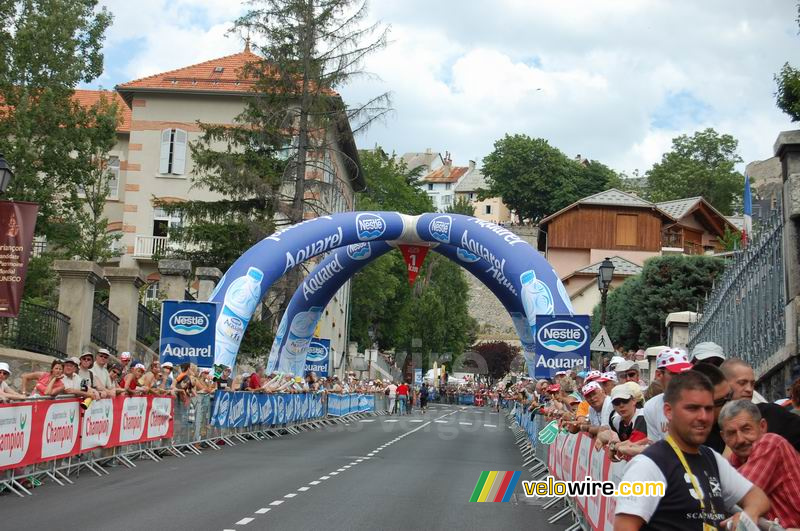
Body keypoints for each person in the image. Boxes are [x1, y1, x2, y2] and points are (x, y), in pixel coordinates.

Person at [614, 371, 770, 530]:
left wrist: (748, 515)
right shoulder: (646, 466)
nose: (703, 417)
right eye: (692, 408)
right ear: (668, 411)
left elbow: (757, 497)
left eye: (708, 409)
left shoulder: (711, 458)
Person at [719, 400, 800, 529]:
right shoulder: (734, 461)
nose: (740, 439)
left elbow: (729, 493)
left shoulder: (771, 443)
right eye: (731, 433)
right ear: (723, 438)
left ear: (762, 426)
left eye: (746, 429)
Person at [693, 362, 800, 453]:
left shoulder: (772, 413)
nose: (749, 389)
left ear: (763, 425)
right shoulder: (702, 435)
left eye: (752, 384)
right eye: (742, 383)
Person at [644, 348, 693, 442]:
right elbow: (654, 444)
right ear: (659, 375)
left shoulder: (700, 402)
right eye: (675, 374)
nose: (681, 379)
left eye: (685, 373)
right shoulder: (651, 407)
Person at [597, 382, 648, 460]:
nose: (621, 405)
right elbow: (606, 434)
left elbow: (631, 446)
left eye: (625, 401)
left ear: (634, 401)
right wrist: (600, 438)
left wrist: (614, 446)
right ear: (613, 406)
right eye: (616, 402)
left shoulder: (642, 417)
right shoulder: (614, 418)